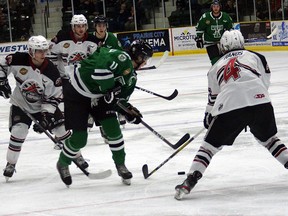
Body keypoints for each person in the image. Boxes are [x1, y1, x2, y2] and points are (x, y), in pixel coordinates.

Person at [174, 30, 288, 200]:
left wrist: (208, 116)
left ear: (223, 46)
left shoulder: (215, 67)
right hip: (261, 102)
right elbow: (265, 82)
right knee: (270, 140)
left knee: (209, 147)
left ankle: (189, 181)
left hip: (230, 106)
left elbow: (213, 98)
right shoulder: (256, 56)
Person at [56, 40, 153, 187]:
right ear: (138, 56)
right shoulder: (122, 57)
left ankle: (121, 165)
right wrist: (109, 89)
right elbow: (100, 70)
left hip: (99, 96)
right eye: (144, 58)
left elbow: (119, 100)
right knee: (79, 139)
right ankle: (63, 162)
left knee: (114, 131)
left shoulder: (132, 78)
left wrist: (128, 111)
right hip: (77, 92)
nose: (145, 62)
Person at [0, 35, 71, 181]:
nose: (43, 54)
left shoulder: (51, 71)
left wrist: (45, 117)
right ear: (31, 51)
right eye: (39, 51)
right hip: (21, 104)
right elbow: (1, 65)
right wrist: (1, 81)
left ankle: (78, 156)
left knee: (61, 130)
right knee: (18, 131)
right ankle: (11, 164)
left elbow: (54, 97)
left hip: (42, 106)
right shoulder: (18, 59)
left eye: (44, 50)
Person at [49, 14, 99, 169]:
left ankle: (73, 141)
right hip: (65, 81)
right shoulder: (62, 38)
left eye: (83, 26)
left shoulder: (93, 41)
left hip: (83, 81)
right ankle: (64, 140)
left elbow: (98, 61)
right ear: (72, 27)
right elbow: (50, 56)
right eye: (77, 26)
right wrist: (54, 74)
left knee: (82, 111)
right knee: (63, 110)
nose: (81, 29)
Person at [194, 0, 233, 65]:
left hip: (223, 43)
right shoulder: (205, 17)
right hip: (210, 43)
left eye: (217, 6)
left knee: (226, 61)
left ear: (220, 7)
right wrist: (199, 38)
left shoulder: (225, 16)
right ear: (211, 7)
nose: (216, 8)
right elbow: (200, 28)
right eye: (214, 6)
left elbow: (230, 29)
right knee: (215, 62)